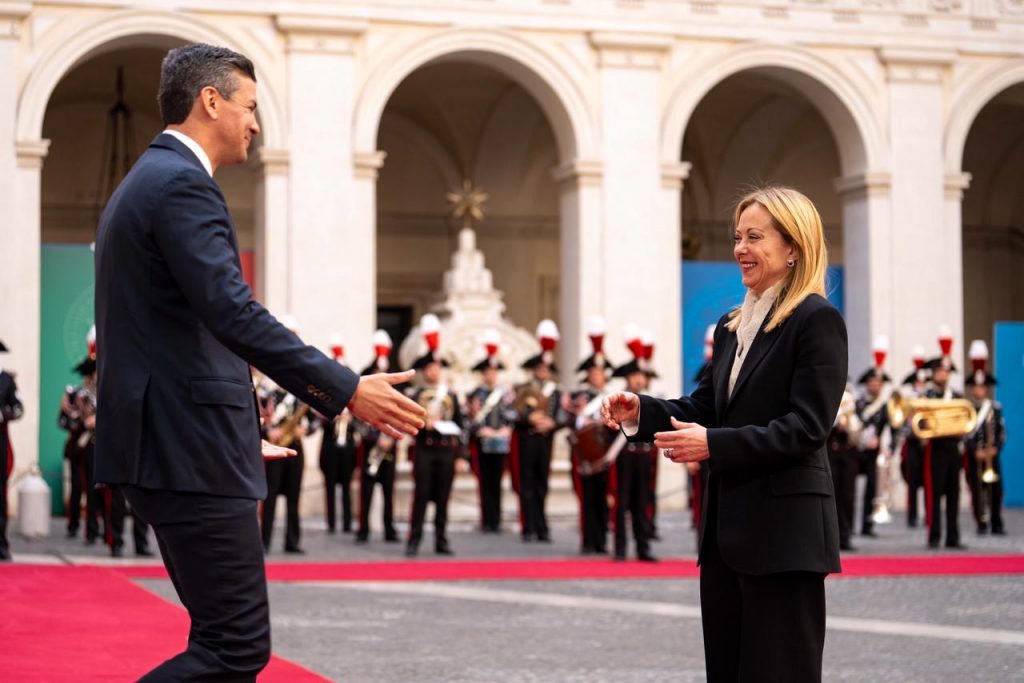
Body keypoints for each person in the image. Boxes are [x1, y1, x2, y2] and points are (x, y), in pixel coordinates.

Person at [93, 43, 424, 680]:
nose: (255, 123)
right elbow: (233, 313)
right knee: (233, 647)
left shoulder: (150, 180)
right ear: (210, 101)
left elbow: (179, 331)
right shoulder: (181, 185)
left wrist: (238, 432)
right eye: (248, 106)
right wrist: (347, 389)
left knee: (222, 640)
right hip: (186, 454)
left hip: (180, 444)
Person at [602, 186, 847, 682]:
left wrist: (713, 444)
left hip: (784, 539)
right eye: (738, 237)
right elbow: (707, 408)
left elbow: (807, 427)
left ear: (793, 246)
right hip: (726, 538)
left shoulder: (816, 320)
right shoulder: (732, 326)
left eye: (755, 237)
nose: (740, 248)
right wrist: (641, 411)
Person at [405, 315, 467, 557]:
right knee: (421, 496)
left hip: (445, 450)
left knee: (443, 497)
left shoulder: (450, 394)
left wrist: (461, 455)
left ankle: (441, 539)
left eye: (437, 368)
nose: (434, 371)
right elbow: (408, 421)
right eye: (430, 368)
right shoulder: (416, 394)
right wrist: (423, 424)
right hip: (424, 449)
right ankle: (414, 539)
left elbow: (461, 425)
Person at [514, 320, 567, 543]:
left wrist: (552, 423)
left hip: (546, 440)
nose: (543, 372)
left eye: (545, 369)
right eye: (539, 369)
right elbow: (513, 414)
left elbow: (564, 416)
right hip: (528, 440)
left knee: (542, 484)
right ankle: (528, 526)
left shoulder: (556, 392)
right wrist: (529, 419)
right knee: (526, 484)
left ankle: (542, 526)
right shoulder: (523, 389)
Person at [569, 317, 616, 555]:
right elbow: (571, 423)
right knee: (586, 497)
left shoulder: (613, 396)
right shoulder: (579, 397)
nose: (597, 377)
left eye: (600, 373)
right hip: (585, 455)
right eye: (593, 373)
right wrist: (582, 418)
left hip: (605, 454)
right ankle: (587, 540)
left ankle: (601, 540)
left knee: (603, 497)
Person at [467, 330, 516, 534]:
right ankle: (486, 519)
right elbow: (469, 419)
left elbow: (511, 414)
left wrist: (506, 429)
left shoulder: (505, 394)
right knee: (484, 481)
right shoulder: (475, 394)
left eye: (494, 372)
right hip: (483, 442)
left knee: (497, 481)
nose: (491, 375)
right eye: (488, 372)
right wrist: (481, 429)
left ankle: (496, 519)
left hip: (500, 442)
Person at [610, 354, 658, 562]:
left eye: (643, 376)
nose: (640, 379)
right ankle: (620, 547)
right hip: (625, 456)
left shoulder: (651, 400)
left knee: (642, 502)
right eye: (636, 375)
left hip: (644, 455)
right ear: (628, 378)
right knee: (622, 502)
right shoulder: (619, 400)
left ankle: (643, 546)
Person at [355, 330, 400, 543]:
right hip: (370, 445)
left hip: (389, 445)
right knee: (366, 490)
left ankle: (389, 527)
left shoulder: (395, 394)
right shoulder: (364, 393)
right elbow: (358, 419)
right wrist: (373, 437)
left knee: (389, 490)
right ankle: (363, 528)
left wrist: (390, 439)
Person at [921, 355, 967, 550]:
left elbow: (964, 422)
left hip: (953, 450)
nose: (943, 375)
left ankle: (952, 537)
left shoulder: (956, 396)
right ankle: (934, 536)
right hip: (935, 450)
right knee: (934, 494)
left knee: (954, 494)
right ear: (933, 374)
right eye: (940, 371)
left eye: (946, 372)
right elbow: (918, 424)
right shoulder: (926, 397)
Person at [314, 337, 359, 534]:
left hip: (347, 444)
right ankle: (331, 522)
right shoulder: (325, 390)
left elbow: (360, 421)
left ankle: (348, 522)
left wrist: (350, 418)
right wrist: (331, 415)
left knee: (347, 485)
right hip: (330, 443)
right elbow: (317, 418)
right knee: (330, 485)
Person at [963, 341, 1006, 536]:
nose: (979, 390)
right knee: (977, 490)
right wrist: (975, 451)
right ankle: (981, 522)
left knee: (996, 490)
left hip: (991, 455)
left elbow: (1002, 431)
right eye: (976, 387)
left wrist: (995, 448)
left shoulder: (995, 408)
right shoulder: (968, 409)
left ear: (986, 389)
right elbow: (966, 434)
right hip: (976, 456)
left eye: (982, 387)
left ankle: (997, 522)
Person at [854, 366, 892, 538]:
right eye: (872, 383)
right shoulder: (858, 404)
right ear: (867, 384)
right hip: (856, 451)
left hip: (874, 453)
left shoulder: (884, 407)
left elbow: (894, 430)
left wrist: (889, 448)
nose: (875, 386)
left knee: (872, 488)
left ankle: (867, 525)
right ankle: (847, 526)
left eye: (878, 383)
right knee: (848, 489)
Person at [0, 339, 24, 562]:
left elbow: (18, 408)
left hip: (0, 441)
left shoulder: (6, 380)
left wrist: (3, 415)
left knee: (0, 494)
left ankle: (1, 543)